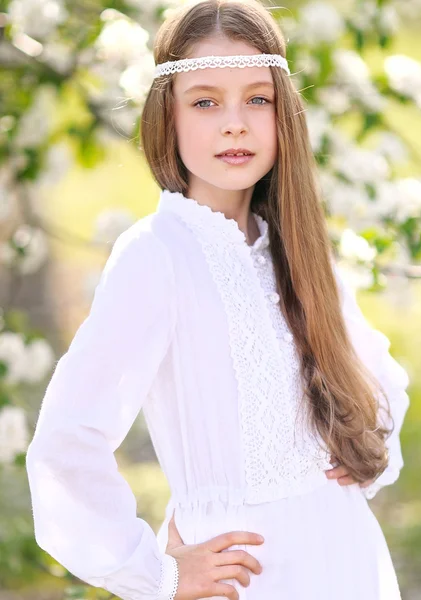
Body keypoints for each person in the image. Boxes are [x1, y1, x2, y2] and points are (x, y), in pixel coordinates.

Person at [25, 0, 411, 599]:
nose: (235, 123)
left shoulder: (296, 249)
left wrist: (364, 445)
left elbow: (376, 378)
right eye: (205, 101)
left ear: (285, 116)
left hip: (346, 558)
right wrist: (154, 572)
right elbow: (67, 439)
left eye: (257, 99)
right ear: (168, 118)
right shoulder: (156, 253)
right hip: (242, 577)